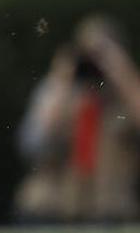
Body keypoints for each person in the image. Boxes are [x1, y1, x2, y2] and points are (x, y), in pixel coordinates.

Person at [14, 16, 140, 223]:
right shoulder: (58, 92)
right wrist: (62, 78)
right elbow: (34, 144)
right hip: (53, 209)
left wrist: (122, 73)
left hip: (110, 210)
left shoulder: (127, 97)